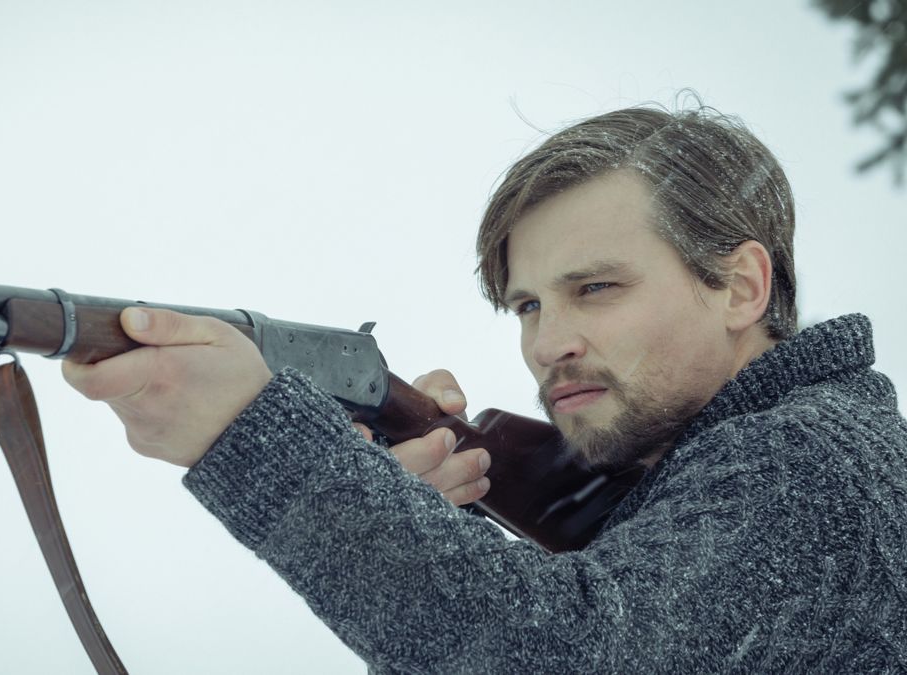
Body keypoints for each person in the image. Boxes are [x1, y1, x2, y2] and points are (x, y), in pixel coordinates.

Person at [62, 105, 907, 671]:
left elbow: (566, 654)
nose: (548, 342)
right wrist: (432, 536)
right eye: (528, 304)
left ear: (741, 287)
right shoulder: (743, 468)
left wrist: (256, 437)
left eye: (597, 288)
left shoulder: (808, 458)